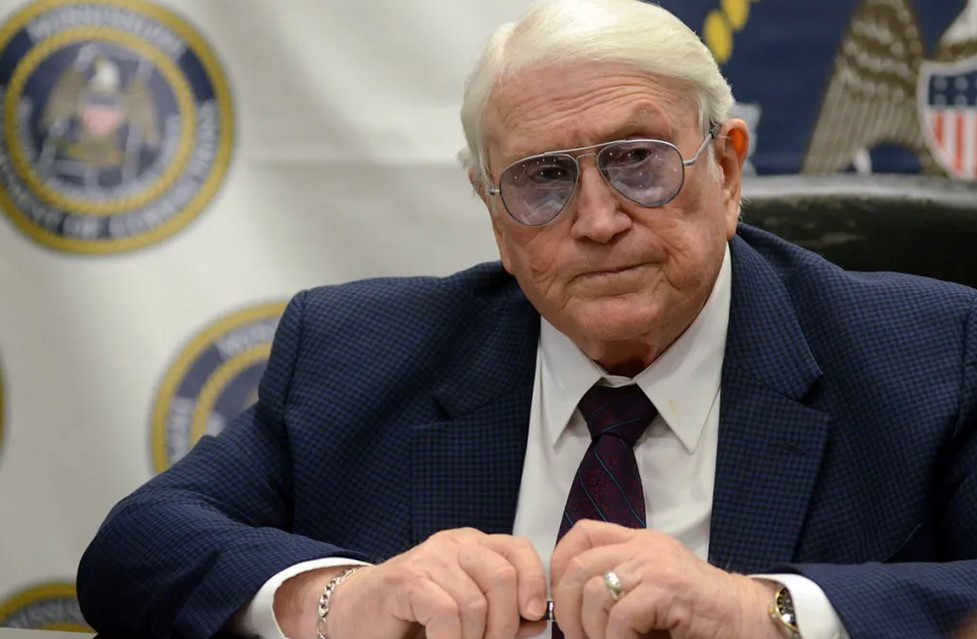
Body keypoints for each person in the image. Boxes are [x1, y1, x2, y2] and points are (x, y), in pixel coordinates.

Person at [76, 0, 977, 638]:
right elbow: (138, 548)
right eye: (544, 179)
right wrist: (337, 601)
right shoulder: (357, 353)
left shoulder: (928, 356)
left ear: (728, 171)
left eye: (637, 160)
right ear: (495, 219)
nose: (597, 219)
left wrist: (766, 613)